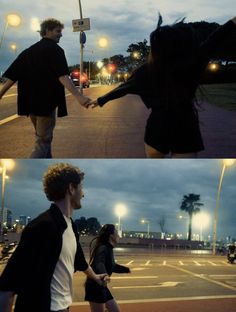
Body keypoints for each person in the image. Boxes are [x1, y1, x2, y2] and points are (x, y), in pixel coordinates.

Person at [89, 16, 236, 158]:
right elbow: (218, 36)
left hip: (157, 127)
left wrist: (101, 100)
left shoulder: (146, 71)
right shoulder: (193, 62)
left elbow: (123, 88)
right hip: (186, 127)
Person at [0, 163, 108, 312]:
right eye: (81, 188)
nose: (83, 194)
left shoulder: (70, 225)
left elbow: (79, 261)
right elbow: (8, 286)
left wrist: (96, 277)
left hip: (63, 307)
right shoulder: (42, 227)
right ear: (71, 188)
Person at [0, 18, 91, 158]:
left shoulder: (28, 52)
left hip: (29, 104)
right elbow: (63, 76)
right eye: (58, 31)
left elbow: (13, 76)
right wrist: (79, 96)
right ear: (47, 31)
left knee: (44, 138)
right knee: (42, 142)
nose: (60, 34)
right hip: (45, 104)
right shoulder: (55, 50)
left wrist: (1, 94)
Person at [85, 224, 131, 312]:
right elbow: (99, 262)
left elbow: (112, 266)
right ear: (111, 236)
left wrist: (126, 270)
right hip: (95, 286)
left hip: (101, 285)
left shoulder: (108, 248)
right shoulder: (103, 247)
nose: (119, 235)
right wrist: (105, 275)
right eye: (117, 232)